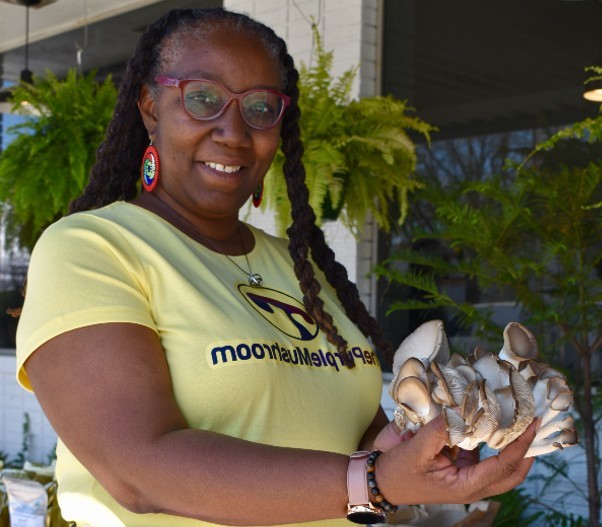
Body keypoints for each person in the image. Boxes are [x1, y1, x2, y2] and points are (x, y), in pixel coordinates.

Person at [15, 7, 537, 527]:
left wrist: (430, 448)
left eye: (261, 107)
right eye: (203, 99)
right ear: (151, 108)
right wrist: (374, 481)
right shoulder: (92, 248)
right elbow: (139, 470)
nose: (234, 131)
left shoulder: (301, 268)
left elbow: (355, 445)